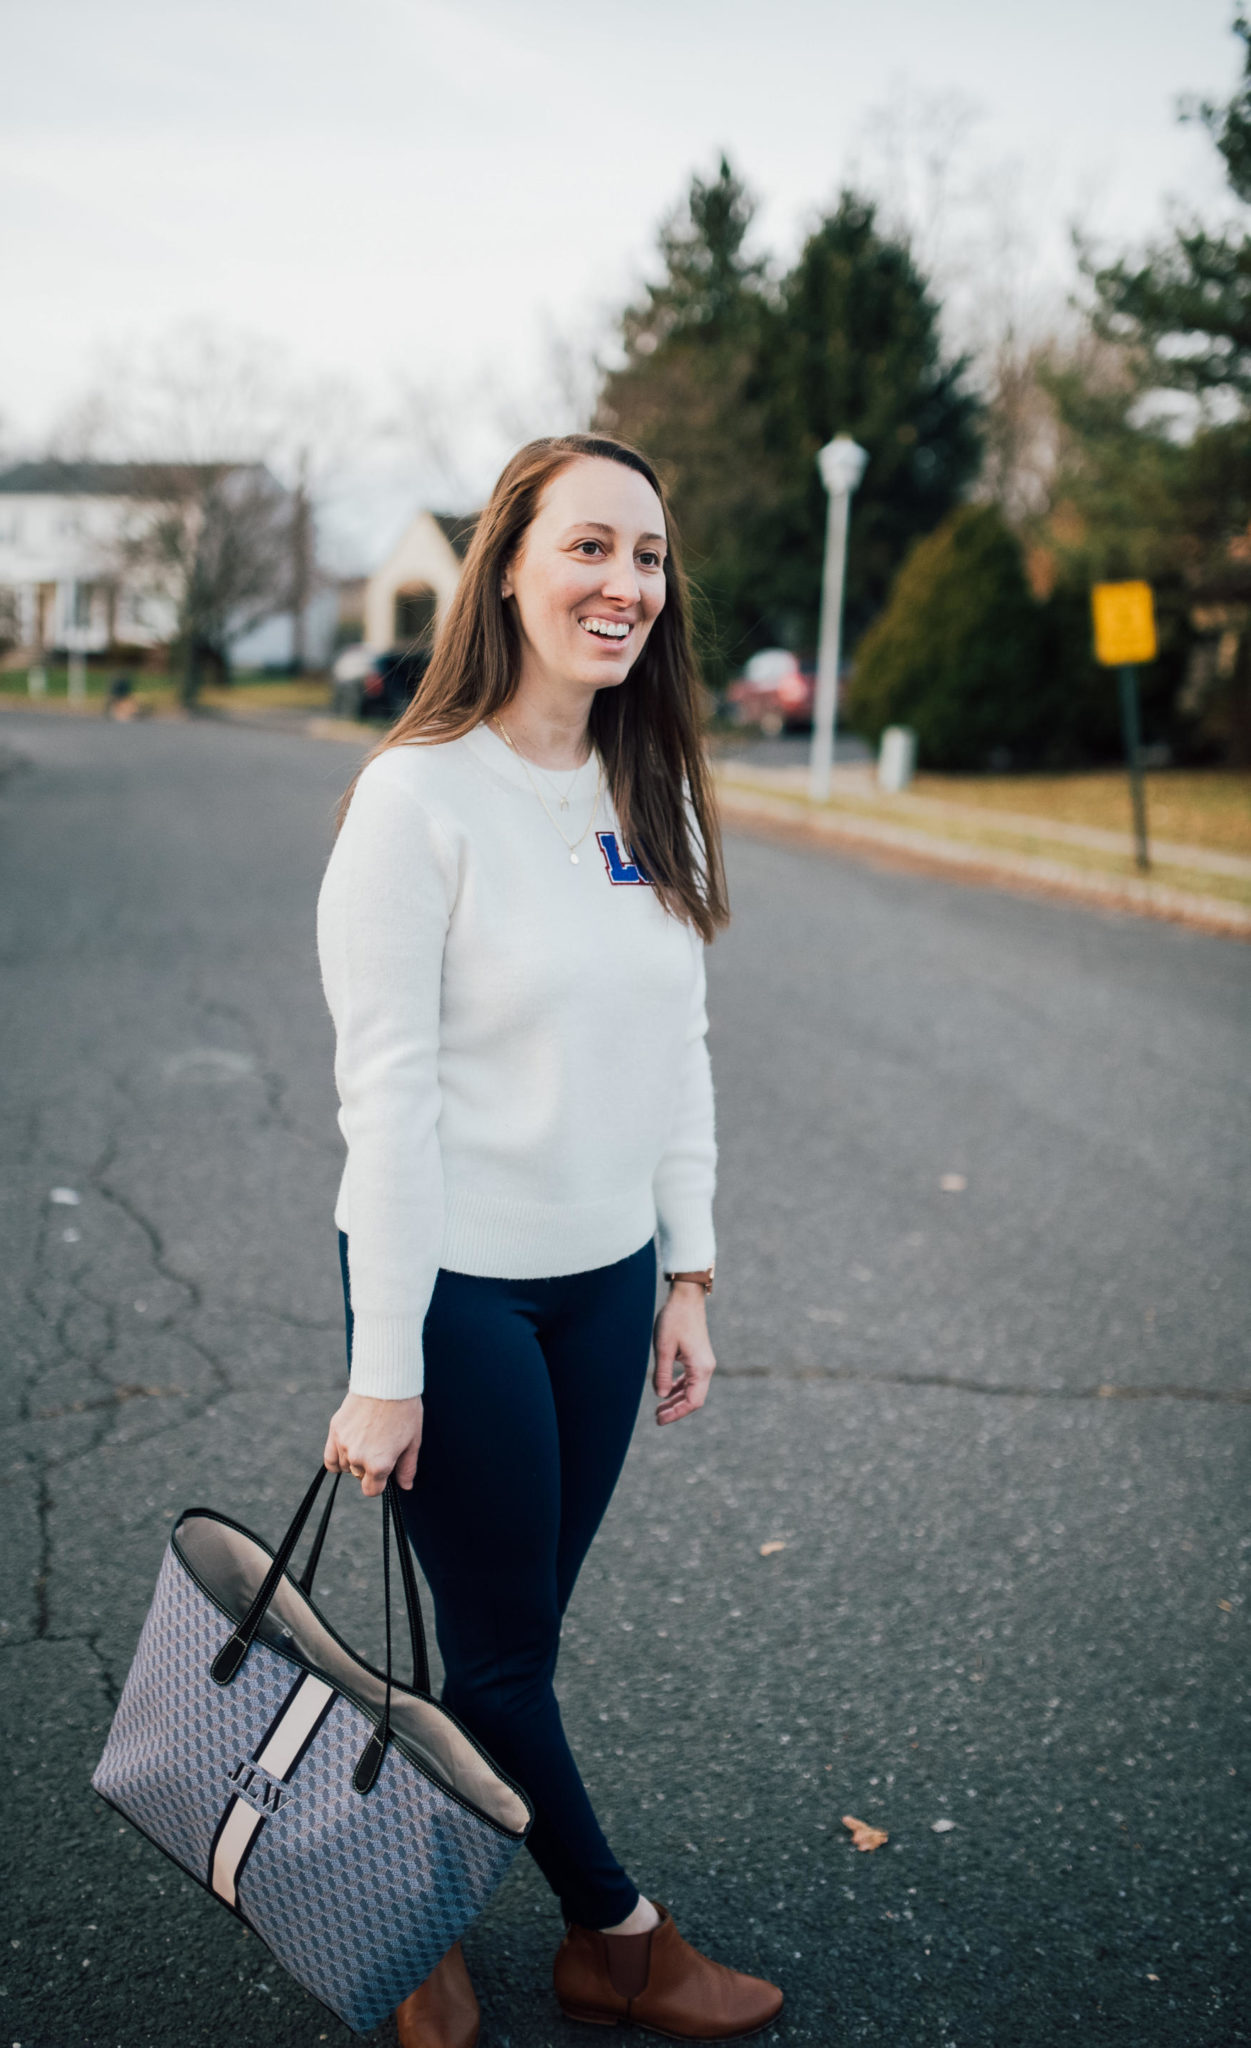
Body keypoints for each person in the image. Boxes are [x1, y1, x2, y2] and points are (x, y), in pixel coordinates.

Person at [316, 434, 783, 2047]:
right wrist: (386, 1372)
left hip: (598, 1293)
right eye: (590, 548)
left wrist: (690, 1272)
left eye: (649, 558)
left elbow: (682, 1053)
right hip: (451, 1294)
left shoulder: (658, 796)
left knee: (509, 1639)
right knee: (506, 1663)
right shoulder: (416, 800)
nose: (626, 586)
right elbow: (385, 1107)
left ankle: (415, 1895)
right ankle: (619, 1938)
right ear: (507, 565)